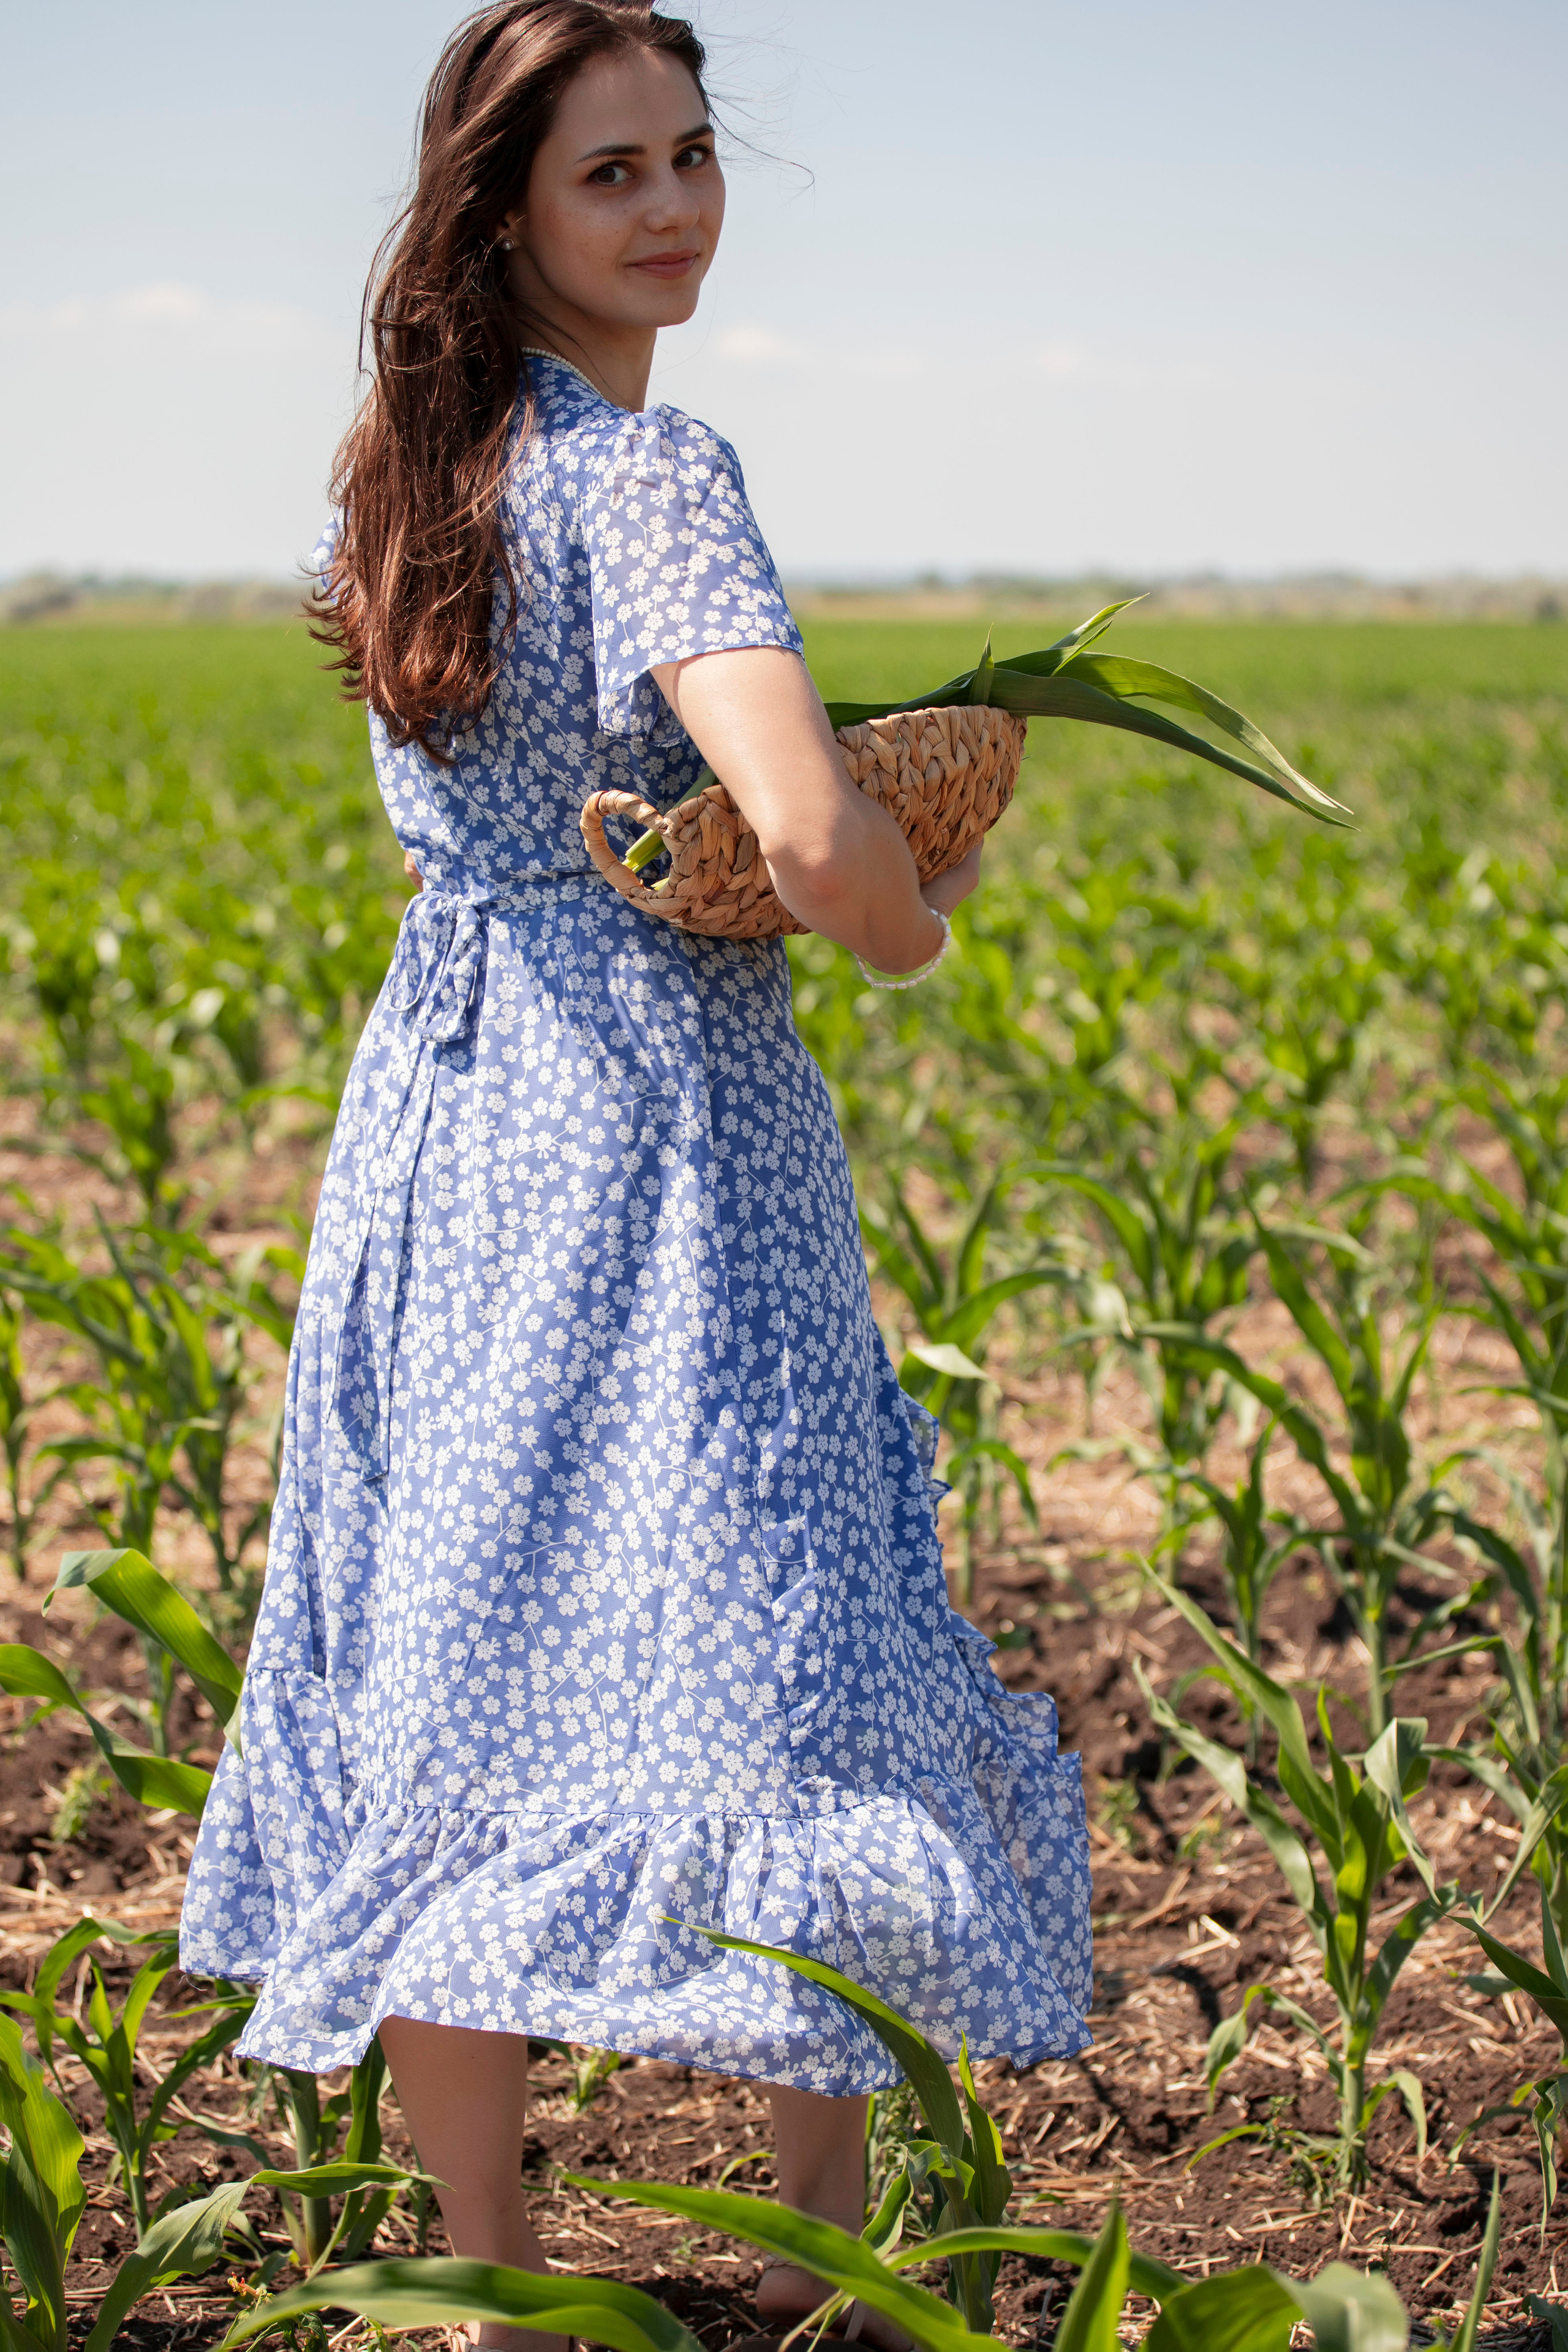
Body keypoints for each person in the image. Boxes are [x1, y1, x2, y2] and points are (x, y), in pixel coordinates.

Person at [179, 6, 1092, 2346]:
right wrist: (911, 900)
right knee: (789, 1645)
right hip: (664, 1135)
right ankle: (864, 2284)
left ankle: (482, 2299)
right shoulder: (656, 476)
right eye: (613, 172)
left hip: (452, 1113)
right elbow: (795, 834)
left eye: (693, 155)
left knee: (449, 1660)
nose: (674, 203)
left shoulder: (403, 476)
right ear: (503, 213)